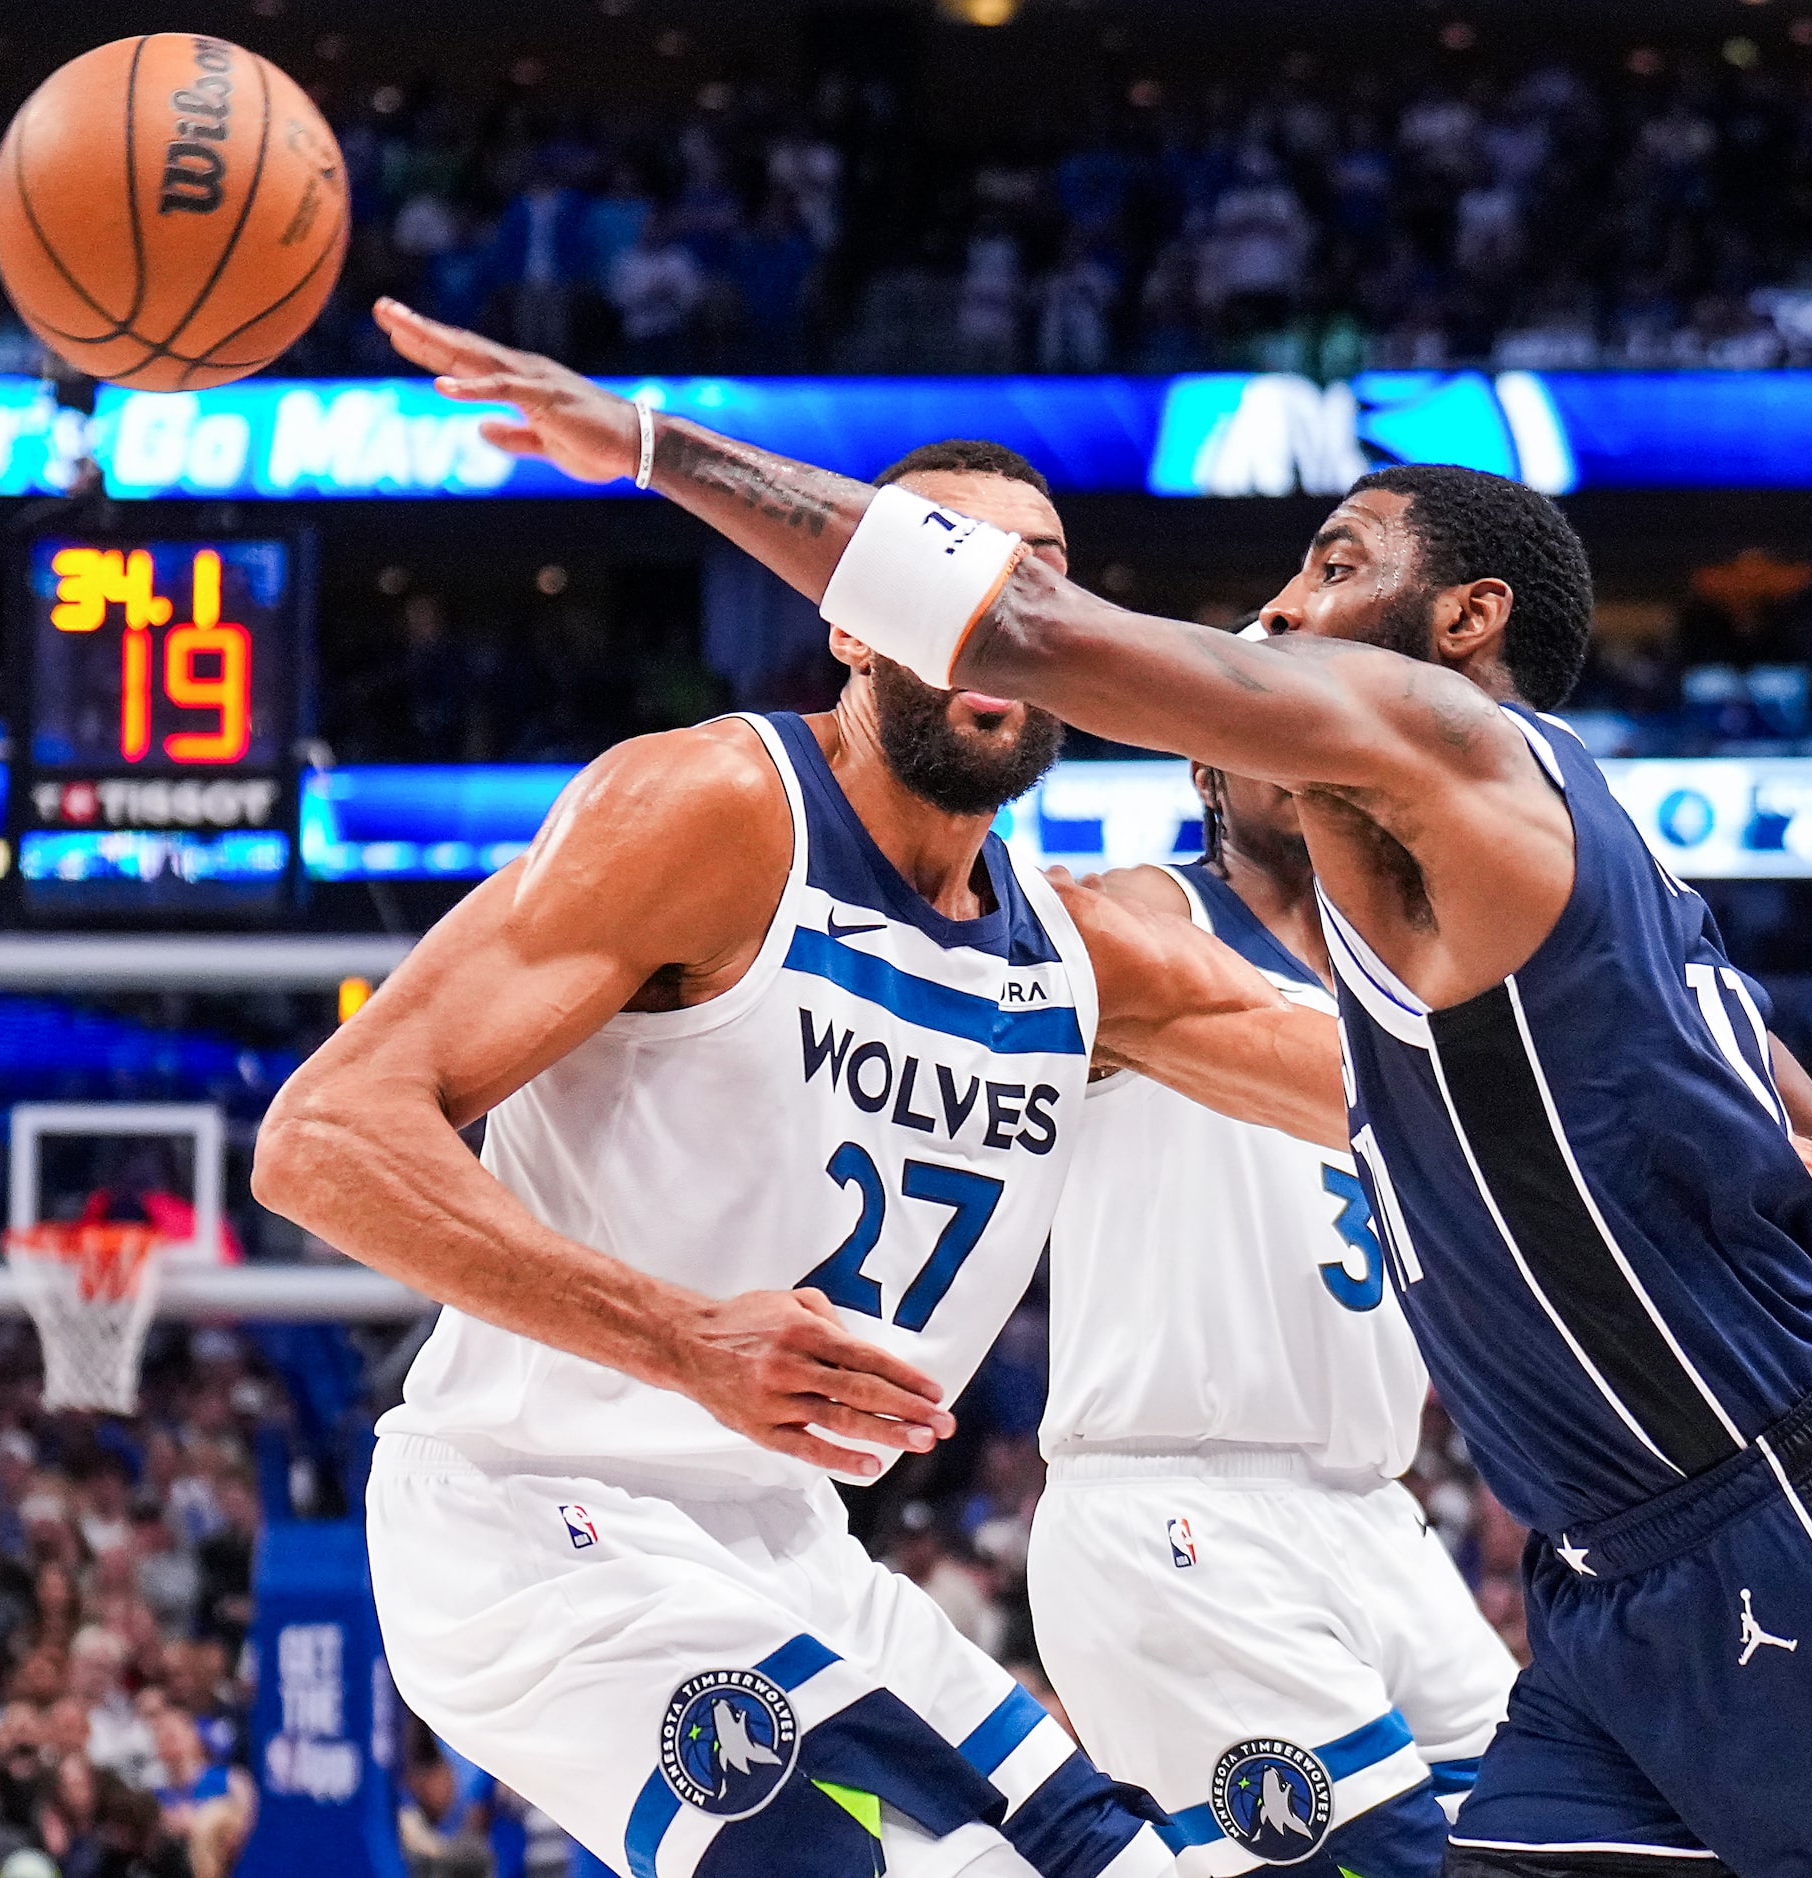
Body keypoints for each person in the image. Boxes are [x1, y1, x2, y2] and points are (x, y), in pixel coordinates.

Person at [368, 293, 1812, 1877]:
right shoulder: (1454, 945)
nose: (1272, 612)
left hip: (1754, 1516)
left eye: (1327, 568)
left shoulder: (1435, 756)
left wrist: (657, 446)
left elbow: (1024, 638)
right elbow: (1630, 1195)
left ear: (1463, 622)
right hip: (1565, 1555)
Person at [255, 436, 1365, 1878]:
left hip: (788, 1550)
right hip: (534, 1525)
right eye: (956, 570)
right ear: (849, 620)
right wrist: (678, 1335)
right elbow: (324, 1136)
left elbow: (1413, 1089)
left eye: (1045, 585)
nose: (1008, 611)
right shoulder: (718, 811)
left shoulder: (1087, 951)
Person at [1039, 746, 1812, 1878]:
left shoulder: (1428, 997)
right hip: (1174, 1491)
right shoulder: (1156, 913)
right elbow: (1053, 924)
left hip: (1370, 1513)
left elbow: (1612, 1283)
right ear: (1207, 770)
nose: (1302, 751)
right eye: (1266, 721)